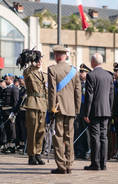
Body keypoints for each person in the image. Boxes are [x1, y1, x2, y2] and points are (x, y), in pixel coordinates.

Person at [48, 45, 81, 174]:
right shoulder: (73, 70)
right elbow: (78, 92)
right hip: (71, 109)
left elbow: (52, 91)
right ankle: (69, 164)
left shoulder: (52, 69)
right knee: (69, 137)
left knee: (59, 138)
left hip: (59, 108)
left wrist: (51, 108)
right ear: (65, 56)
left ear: (56, 56)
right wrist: (77, 109)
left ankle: (61, 166)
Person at [83, 53, 114, 171]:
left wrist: (86, 113)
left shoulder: (91, 75)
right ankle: (103, 163)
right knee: (103, 137)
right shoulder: (108, 75)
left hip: (95, 111)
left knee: (95, 137)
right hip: (106, 110)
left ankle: (95, 163)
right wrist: (110, 110)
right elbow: (111, 96)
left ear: (92, 62)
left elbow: (89, 96)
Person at [22, 50, 48, 165]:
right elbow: (26, 71)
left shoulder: (44, 74)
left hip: (43, 104)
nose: (39, 62)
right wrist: (31, 59)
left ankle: (38, 153)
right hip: (32, 103)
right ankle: (31, 155)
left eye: (40, 60)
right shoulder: (29, 72)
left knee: (41, 131)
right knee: (32, 130)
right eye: (37, 60)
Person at [74, 63, 91, 160]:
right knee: (78, 131)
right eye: (80, 72)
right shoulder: (78, 84)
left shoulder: (89, 83)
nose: (81, 74)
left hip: (85, 112)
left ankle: (88, 151)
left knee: (87, 133)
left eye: (83, 72)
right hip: (78, 112)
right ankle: (80, 151)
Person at [0, 74, 19, 154]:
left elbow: (16, 102)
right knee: (7, 129)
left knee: (11, 130)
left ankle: (12, 146)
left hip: (10, 111)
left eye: (7, 79)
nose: (5, 81)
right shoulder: (5, 89)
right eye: (5, 79)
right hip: (5, 111)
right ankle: (8, 145)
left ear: (11, 79)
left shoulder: (14, 89)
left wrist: (14, 113)